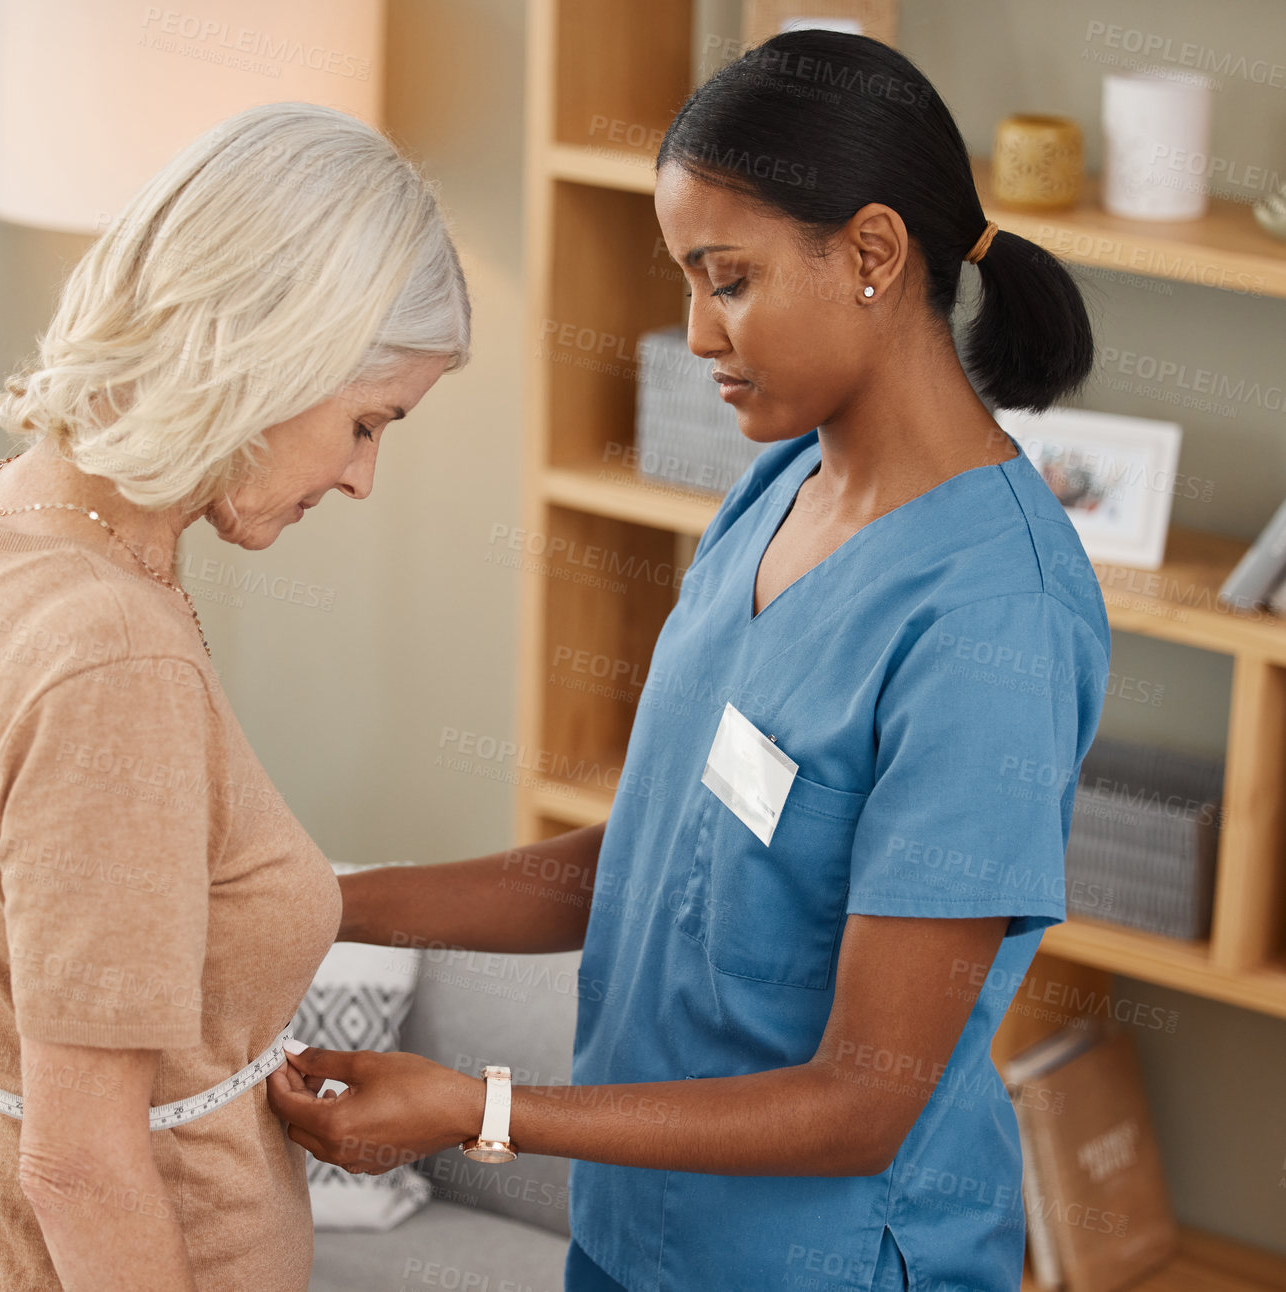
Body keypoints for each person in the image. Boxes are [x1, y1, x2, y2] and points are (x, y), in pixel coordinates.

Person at [270, 30, 1108, 1292]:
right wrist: (314, 905)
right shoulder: (778, 488)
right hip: (634, 1236)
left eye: (727, 279)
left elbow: (859, 1104)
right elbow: (640, 864)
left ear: (873, 252)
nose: (698, 332)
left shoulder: (997, 622)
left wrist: (478, 1108)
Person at [0, 102, 470, 1292]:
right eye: (364, 422)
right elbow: (81, 1166)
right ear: (271, 348)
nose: (360, 477)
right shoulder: (113, 658)